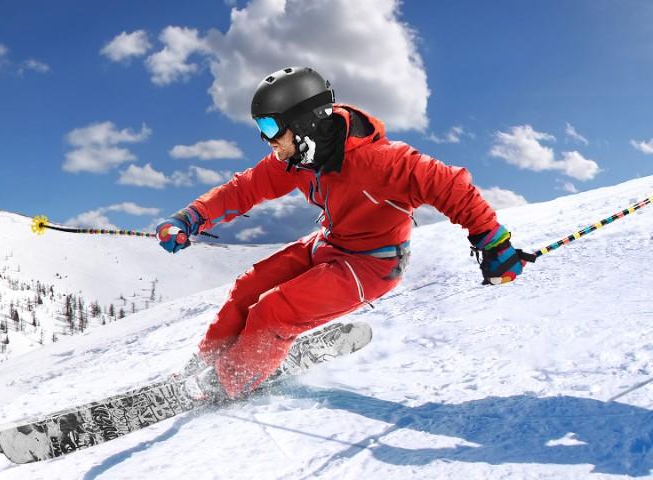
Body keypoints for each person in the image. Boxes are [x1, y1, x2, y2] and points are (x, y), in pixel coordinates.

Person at [156, 66, 530, 402]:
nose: (266, 140)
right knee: (246, 289)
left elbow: (451, 185)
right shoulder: (300, 158)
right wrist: (190, 218)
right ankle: (208, 362)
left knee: (272, 310)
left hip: (371, 264)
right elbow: (244, 189)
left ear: (305, 124)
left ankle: (228, 383)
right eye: (261, 129)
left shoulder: (385, 162)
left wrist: (492, 241)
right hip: (329, 244)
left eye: (271, 127)